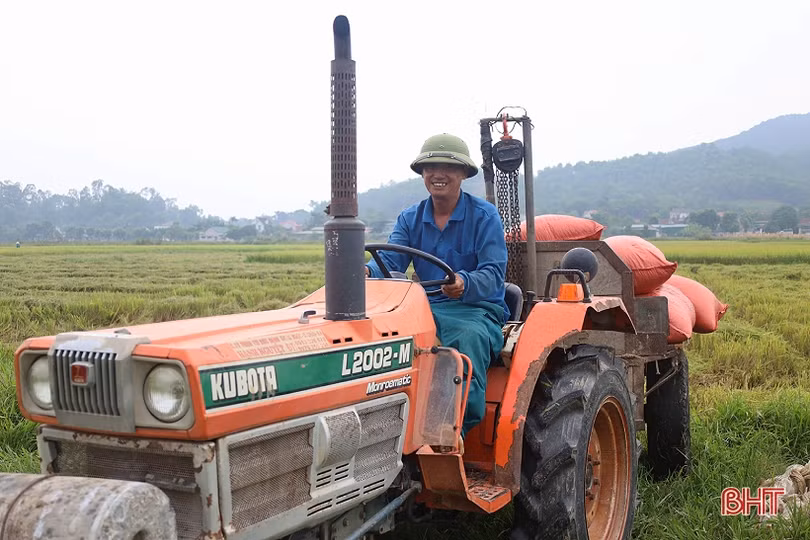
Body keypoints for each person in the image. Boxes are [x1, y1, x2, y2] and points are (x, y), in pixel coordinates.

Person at [365, 133, 509, 439]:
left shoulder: (484, 217)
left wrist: (463, 281)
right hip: (425, 307)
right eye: (430, 167)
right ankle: (384, 424)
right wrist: (365, 272)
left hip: (475, 309)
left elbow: (493, 274)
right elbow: (390, 261)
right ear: (422, 174)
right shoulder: (410, 218)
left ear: (462, 175)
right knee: (381, 334)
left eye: (448, 167)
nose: (437, 174)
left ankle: (453, 427)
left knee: (466, 337)